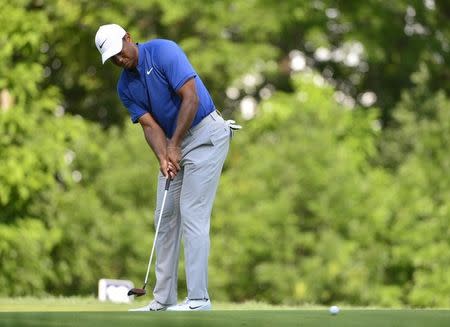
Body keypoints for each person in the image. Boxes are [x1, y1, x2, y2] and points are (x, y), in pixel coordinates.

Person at [94, 24, 240, 311]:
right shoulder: (125, 86)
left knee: (191, 211)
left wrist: (174, 145)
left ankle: (199, 299)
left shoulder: (163, 51)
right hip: (174, 143)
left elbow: (191, 97)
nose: (119, 60)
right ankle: (163, 299)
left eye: (119, 52)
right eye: (112, 58)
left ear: (129, 38)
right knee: (164, 214)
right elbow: (149, 125)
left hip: (205, 135)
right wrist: (163, 156)